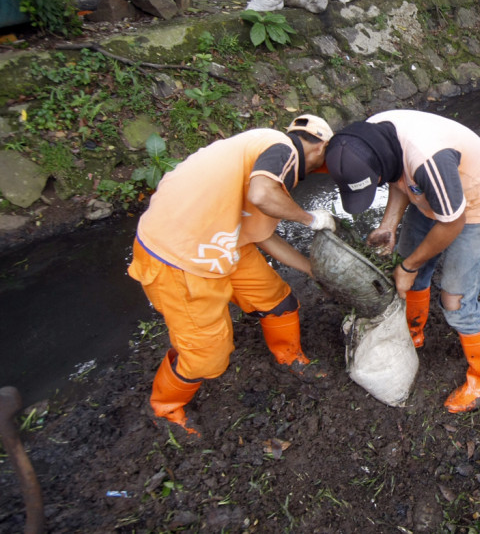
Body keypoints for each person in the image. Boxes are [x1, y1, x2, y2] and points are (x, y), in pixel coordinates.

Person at [128, 115, 338, 436]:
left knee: (277, 300)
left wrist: (313, 269)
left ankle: (289, 356)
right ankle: (165, 407)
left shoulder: (256, 156)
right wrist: (310, 219)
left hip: (219, 240)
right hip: (178, 256)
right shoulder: (280, 147)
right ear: (321, 147)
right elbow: (262, 196)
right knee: (206, 355)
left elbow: (261, 234)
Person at [323, 110, 480, 413]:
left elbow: (453, 223)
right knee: (408, 271)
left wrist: (409, 265)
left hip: (473, 204)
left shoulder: (428, 160)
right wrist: (388, 225)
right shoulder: (368, 137)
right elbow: (399, 178)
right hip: (432, 195)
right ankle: (414, 331)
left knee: (456, 300)